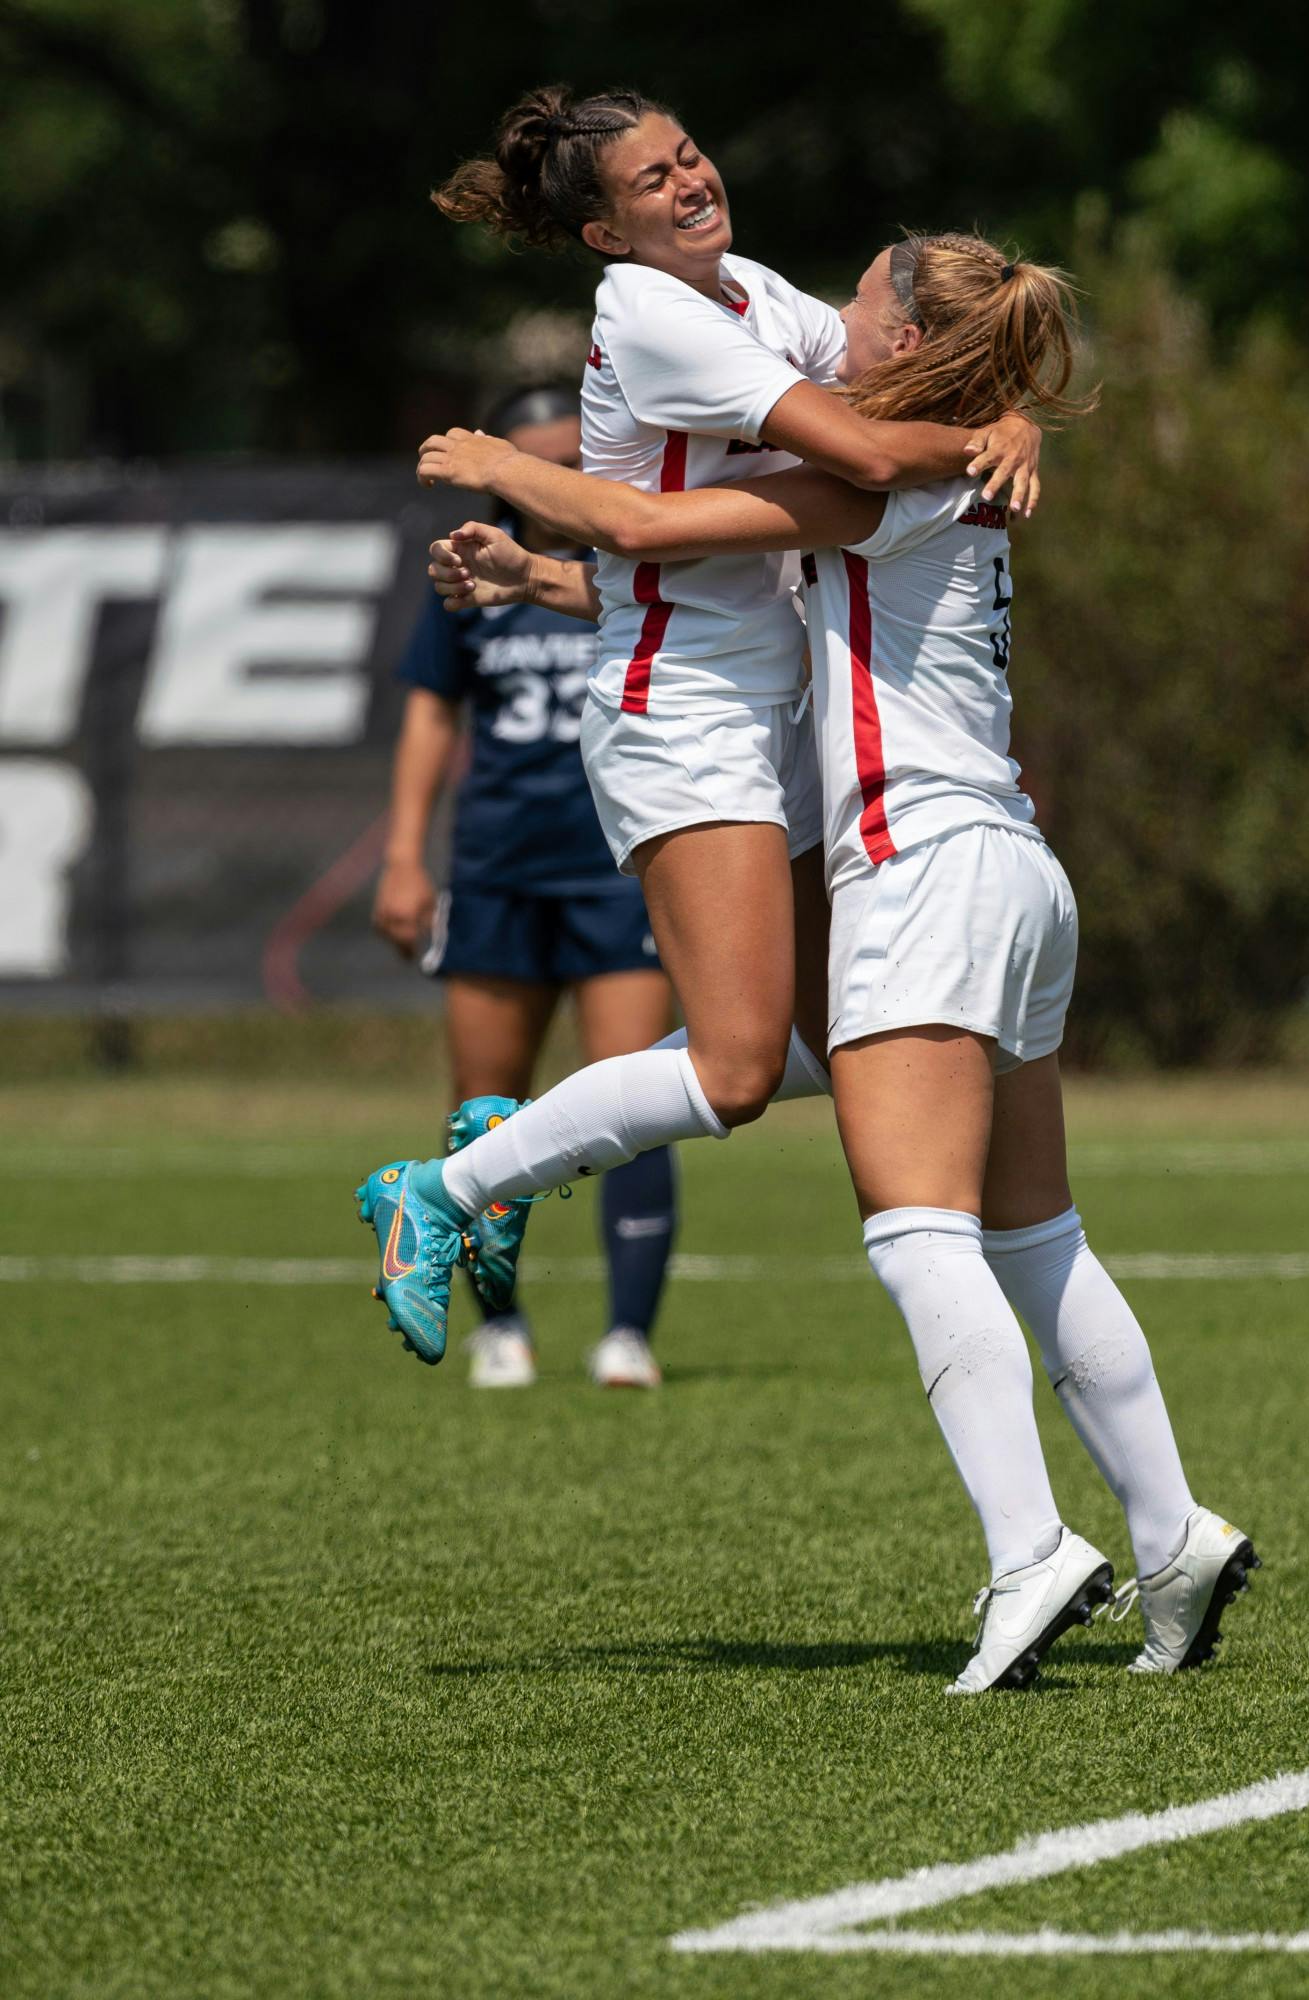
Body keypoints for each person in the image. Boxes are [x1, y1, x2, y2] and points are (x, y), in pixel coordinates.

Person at [417, 231, 1259, 1689]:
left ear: (903, 341)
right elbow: (717, 591)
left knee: (915, 1229)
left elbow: (660, 535)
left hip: (924, 869)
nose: (834, 312)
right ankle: (1173, 1531)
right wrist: (531, 579)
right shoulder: (933, 471)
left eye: (864, 295)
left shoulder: (885, 475)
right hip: (1014, 868)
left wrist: (501, 462)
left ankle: (1029, 1555)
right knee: (1036, 1236)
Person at [355, 83, 1042, 1367]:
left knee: (836, 1033)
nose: (688, 181)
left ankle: (509, 1146)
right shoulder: (653, 311)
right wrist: (516, 471)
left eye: (688, 155)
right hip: (683, 720)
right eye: (651, 182)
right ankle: (443, 1194)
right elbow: (868, 454)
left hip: (757, 701)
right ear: (608, 236)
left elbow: (895, 381)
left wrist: (1002, 408)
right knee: (733, 1073)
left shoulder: (752, 291)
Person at [371, 385, 676, 1391]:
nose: (554, 476)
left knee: (635, 1092)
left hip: (620, 865)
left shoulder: (633, 555)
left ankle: (628, 1332)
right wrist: (406, 854)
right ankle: (499, 1324)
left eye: (569, 454)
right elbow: (430, 714)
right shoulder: (470, 562)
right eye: (533, 455)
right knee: (483, 1107)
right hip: (499, 870)